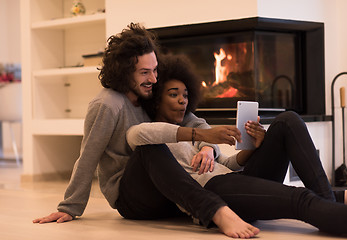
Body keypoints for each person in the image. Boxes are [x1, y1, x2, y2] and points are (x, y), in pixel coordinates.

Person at [32, 23, 260, 239]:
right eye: (144, 73)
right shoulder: (107, 105)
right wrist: (69, 207)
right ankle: (215, 212)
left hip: (163, 185)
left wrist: (209, 148)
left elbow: (197, 124)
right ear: (123, 72)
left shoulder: (150, 95)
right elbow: (88, 157)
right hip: (131, 195)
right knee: (149, 146)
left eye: (155, 70)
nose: (153, 79)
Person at [127, 54, 347, 237]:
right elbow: (136, 135)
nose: (182, 100)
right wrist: (205, 137)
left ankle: (329, 206)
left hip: (234, 181)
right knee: (299, 200)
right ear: (157, 99)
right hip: (216, 191)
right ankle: (335, 208)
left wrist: (253, 147)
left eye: (186, 95)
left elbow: (228, 164)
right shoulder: (151, 137)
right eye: (173, 94)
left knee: (288, 121)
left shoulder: (195, 130)